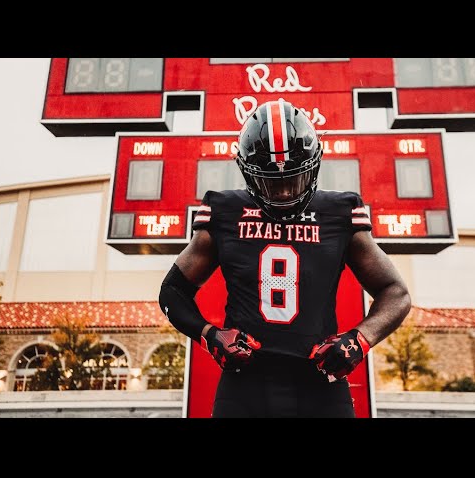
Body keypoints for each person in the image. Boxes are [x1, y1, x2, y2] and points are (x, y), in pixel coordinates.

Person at [159, 98, 411, 418]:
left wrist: (360, 339)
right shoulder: (225, 211)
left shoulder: (338, 212)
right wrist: (210, 335)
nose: (283, 193)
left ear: (314, 165)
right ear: (248, 172)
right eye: (270, 180)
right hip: (244, 385)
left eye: (293, 178)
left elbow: (396, 292)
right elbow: (172, 291)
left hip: (320, 384)